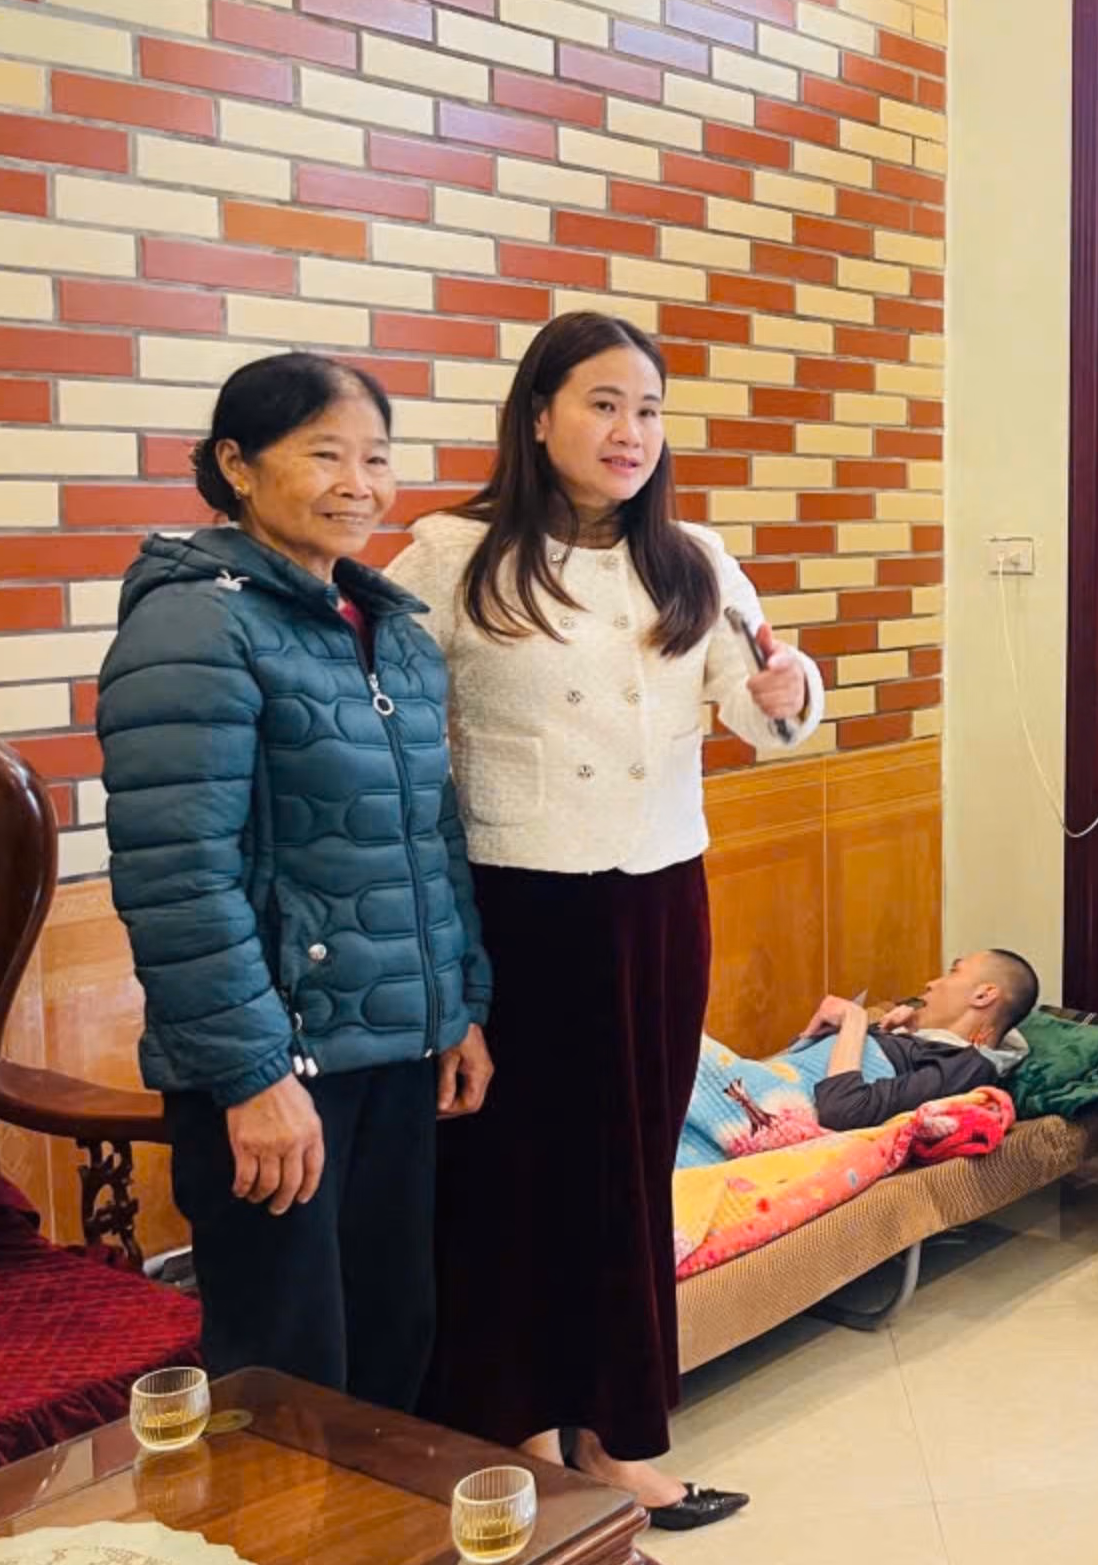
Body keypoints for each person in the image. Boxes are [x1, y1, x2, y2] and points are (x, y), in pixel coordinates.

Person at [390, 311, 822, 1532]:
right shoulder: (449, 554)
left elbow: (764, 708)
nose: (631, 431)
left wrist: (790, 689)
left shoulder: (691, 557)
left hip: (658, 896)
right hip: (515, 898)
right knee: (513, 1173)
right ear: (537, 416)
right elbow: (394, 731)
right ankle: (519, 1433)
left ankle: (620, 1436)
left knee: (631, 1166)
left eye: (648, 408)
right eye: (602, 402)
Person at [97, 353, 493, 1408]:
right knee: (287, 1381)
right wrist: (252, 1077)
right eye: (324, 455)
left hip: (397, 1052)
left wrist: (457, 1008)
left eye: (376, 458)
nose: (358, 483)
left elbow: (431, 836)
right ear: (236, 463)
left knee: (393, 1345)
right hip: (278, 1071)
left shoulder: (390, 630)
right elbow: (178, 877)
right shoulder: (193, 623)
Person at [802, 950, 1041, 1131]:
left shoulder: (968, 1066)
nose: (931, 984)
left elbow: (842, 1111)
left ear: (983, 995)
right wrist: (901, 1033)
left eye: (954, 971)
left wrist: (854, 1020)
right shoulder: (918, 1040)